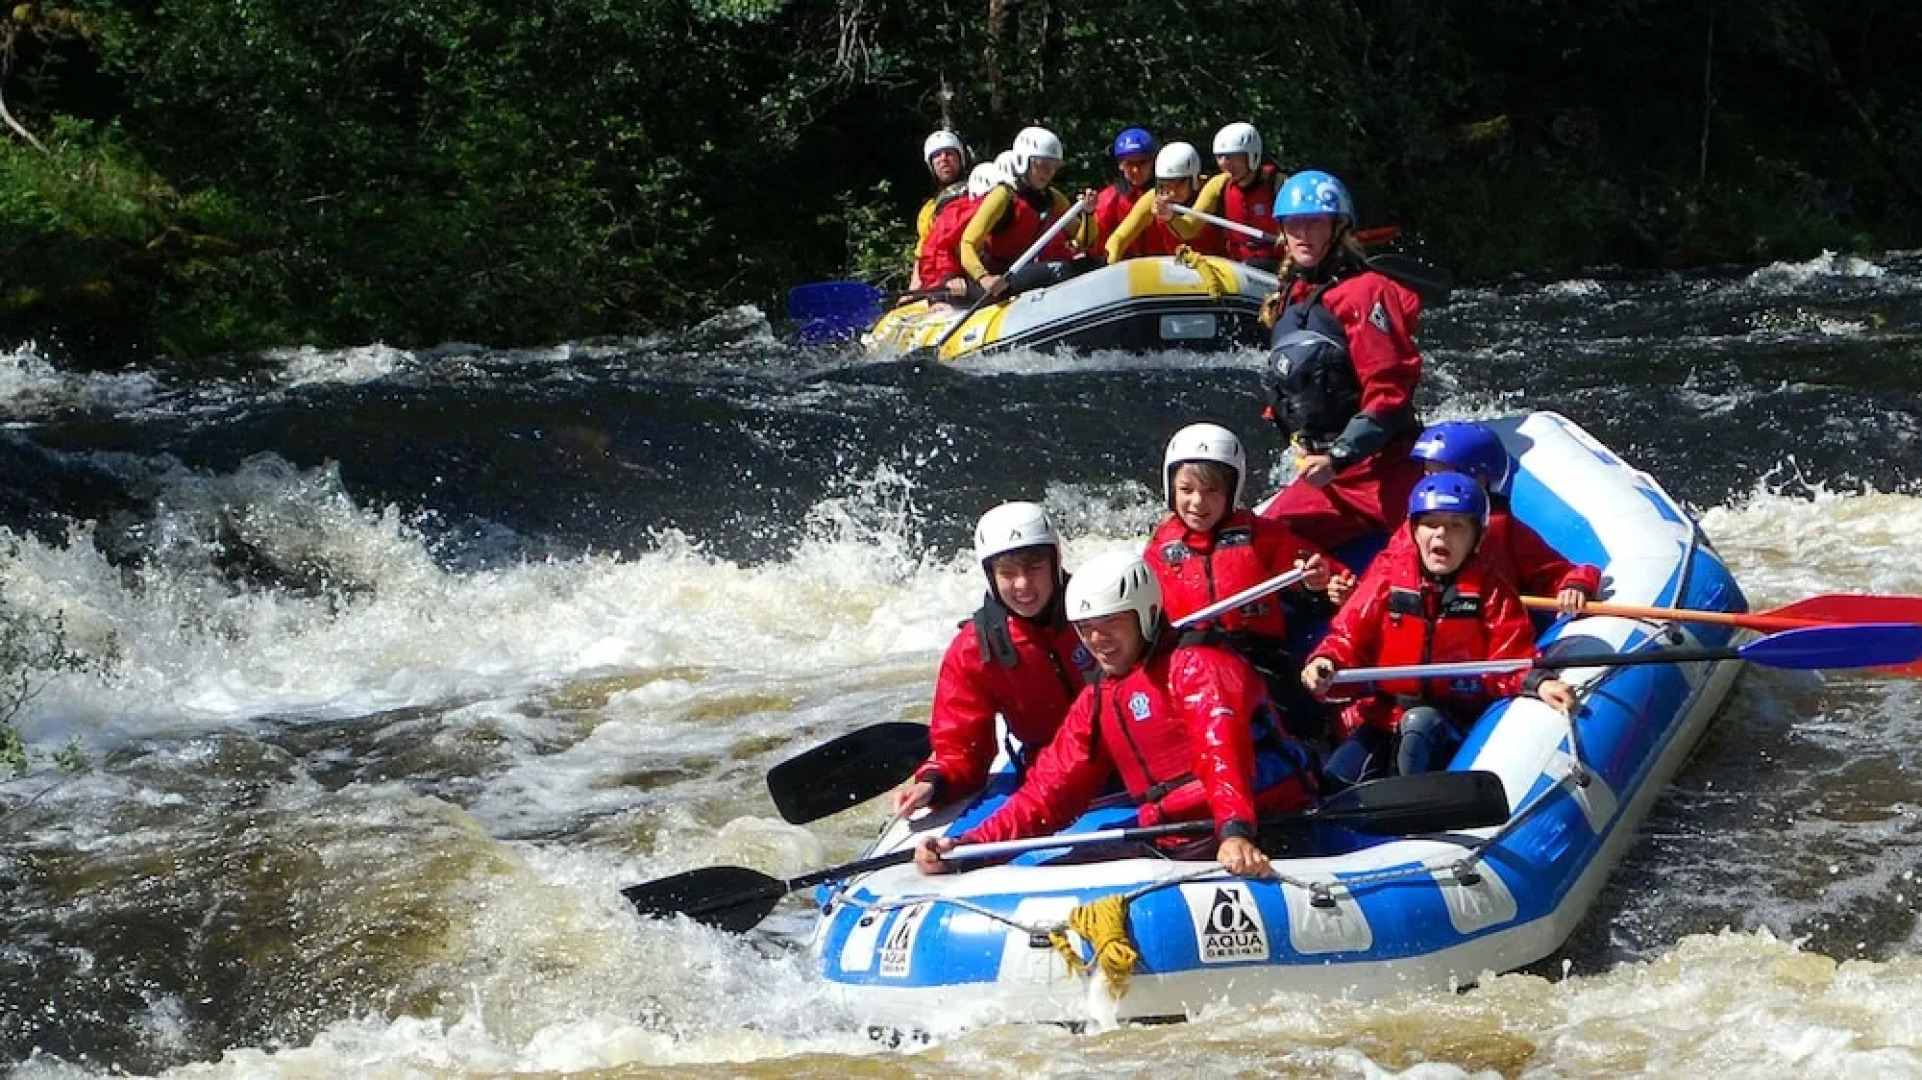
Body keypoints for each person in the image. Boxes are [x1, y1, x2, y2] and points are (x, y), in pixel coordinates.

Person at [914, 550, 1318, 880]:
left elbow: (1223, 753)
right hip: (1176, 837)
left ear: (1144, 614)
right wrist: (968, 849)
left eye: (1110, 624)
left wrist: (1234, 831)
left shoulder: (1194, 665)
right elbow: (1048, 792)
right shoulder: (1101, 697)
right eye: (1086, 628)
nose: (1097, 640)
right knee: (1060, 876)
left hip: (1262, 822)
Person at [1300, 473, 1576, 785]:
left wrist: (1538, 682)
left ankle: (1408, 811)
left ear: (1477, 536)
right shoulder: (1386, 579)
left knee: (1420, 725)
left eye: (1457, 525)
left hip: (1452, 719)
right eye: (1431, 524)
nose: (1442, 535)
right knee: (1334, 777)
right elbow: (1348, 639)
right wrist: (1325, 663)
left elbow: (1511, 659)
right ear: (1414, 530)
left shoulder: (1492, 591)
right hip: (1386, 715)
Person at [1143, 422, 1351, 739]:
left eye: (1211, 491)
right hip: (1190, 663)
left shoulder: (1262, 536)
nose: (1198, 503)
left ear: (1232, 491)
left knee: (1289, 717)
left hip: (1258, 659)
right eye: (1187, 490)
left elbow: (1323, 572)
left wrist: (1323, 583)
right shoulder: (1159, 549)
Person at [1256, 169, 1427, 553]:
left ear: (1338, 227)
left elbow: (1389, 392)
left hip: (1382, 468)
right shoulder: (1292, 298)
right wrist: (1302, 442)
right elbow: (1289, 393)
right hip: (1329, 479)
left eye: (1314, 222)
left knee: (1439, 545)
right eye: (1293, 224)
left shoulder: (1365, 293)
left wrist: (1339, 455)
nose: (1302, 233)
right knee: (1263, 547)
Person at [892, 502, 1090, 816]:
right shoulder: (974, 648)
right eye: (1008, 573)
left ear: (1056, 561)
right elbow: (961, 749)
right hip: (1052, 770)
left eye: (1034, 568)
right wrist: (933, 783)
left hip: (1124, 751)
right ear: (990, 575)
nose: (1023, 585)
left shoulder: (1104, 609)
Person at [1404, 421, 1601, 613]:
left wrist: (1575, 586)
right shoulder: (1418, 524)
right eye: (1427, 473)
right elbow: (1386, 571)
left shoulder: (1505, 531)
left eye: (1439, 475)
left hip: (1489, 629)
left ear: (1479, 480)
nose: (1429, 484)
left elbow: (1563, 573)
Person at [959, 126, 1100, 299]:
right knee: (1055, 270)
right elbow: (967, 244)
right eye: (1042, 165)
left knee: (1095, 263)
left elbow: (1084, 240)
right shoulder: (1003, 196)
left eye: (1054, 166)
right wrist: (984, 277)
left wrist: (1088, 214)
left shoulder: (1053, 197)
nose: (1049, 173)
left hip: (1027, 272)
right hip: (997, 280)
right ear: (1022, 161)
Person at [1102, 142, 1224, 263]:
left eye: (1178, 183)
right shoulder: (1154, 196)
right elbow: (1120, 236)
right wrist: (1112, 255)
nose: (1171, 192)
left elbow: (1189, 229)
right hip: (1179, 270)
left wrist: (1170, 218)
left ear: (1193, 179)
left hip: (1220, 269)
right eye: (1165, 184)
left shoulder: (1211, 189)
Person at [1189, 122, 1284, 267]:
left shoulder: (1279, 184)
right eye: (1220, 157)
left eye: (1233, 157)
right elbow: (1189, 226)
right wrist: (1169, 217)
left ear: (1252, 156)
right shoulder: (1219, 185)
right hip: (1237, 266)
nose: (1225, 164)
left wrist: (1287, 235)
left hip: (1274, 266)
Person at [914, 161, 1008, 303]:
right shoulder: (948, 225)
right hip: (959, 285)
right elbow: (932, 257)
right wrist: (949, 278)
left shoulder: (1001, 211)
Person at [910, 129, 971, 290]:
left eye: (949, 153)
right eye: (937, 155)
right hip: (941, 281)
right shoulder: (928, 211)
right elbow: (922, 255)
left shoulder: (976, 192)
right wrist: (912, 292)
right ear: (931, 165)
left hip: (972, 274)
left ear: (960, 159)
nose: (943, 159)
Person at [1092, 127, 1157, 249]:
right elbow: (1097, 245)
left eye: (1142, 162)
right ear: (1120, 165)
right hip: (1123, 265)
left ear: (1152, 162)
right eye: (1129, 164)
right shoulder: (1108, 200)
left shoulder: (1170, 194)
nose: (1136, 170)